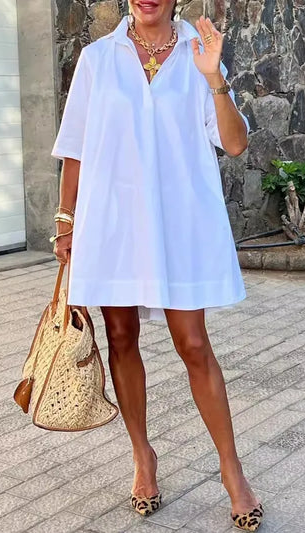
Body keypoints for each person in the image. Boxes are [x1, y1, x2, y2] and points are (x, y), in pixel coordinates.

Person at [50, 0, 263, 530]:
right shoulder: (98, 58)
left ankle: (231, 469)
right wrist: (65, 221)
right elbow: (75, 147)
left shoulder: (199, 52)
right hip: (112, 222)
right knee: (121, 336)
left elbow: (235, 144)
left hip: (178, 226)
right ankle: (142, 456)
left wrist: (214, 77)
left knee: (194, 344)